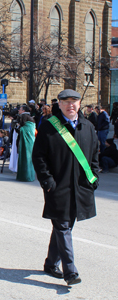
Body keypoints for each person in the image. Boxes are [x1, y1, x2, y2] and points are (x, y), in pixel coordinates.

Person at [33, 89, 99, 286]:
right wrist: (47, 181)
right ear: (59, 104)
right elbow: (38, 157)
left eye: (74, 101)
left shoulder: (87, 126)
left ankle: (51, 263)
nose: (71, 105)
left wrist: (93, 176)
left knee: (65, 226)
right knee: (62, 226)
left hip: (81, 187)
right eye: (66, 102)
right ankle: (70, 271)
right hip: (58, 186)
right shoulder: (49, 127)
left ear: (80, 104)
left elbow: (94, 154)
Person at [16, 111, 36, 182]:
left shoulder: (27, 126)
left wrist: (17, 127)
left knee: (26, 159)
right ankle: (30, 175)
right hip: (31, 144)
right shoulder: (32, 124)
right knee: (30, 160)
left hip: (27, 145)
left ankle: (26, 176)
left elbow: (21, 131)